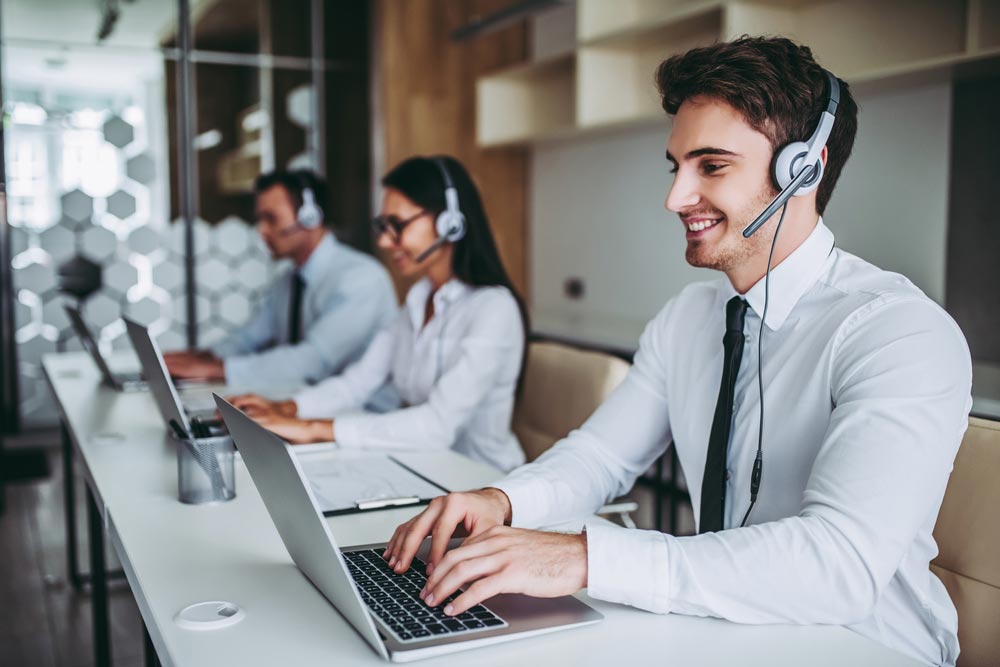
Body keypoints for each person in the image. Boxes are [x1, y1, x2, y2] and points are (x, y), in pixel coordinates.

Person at [382, 37, 971, 667]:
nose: (675, 197)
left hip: (863, 643)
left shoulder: (898, 333)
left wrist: (583, 556)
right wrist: (501, 502)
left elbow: (839, 565)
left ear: (805, 169)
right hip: (721, 625)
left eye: (711, 166)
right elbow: (600, 456)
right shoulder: (688, 319)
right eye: (676, 167)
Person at [228, 156, 530, 473]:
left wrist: (314, 428)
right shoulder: (415, 303)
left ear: (449, 222)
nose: (385, 241)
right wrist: (287, 408)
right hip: (424, 467)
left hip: (482, 479)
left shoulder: (494, 309)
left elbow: (437, 426)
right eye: (383, 227)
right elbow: (357, 383)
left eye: (397, 225)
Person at [163, 170, 397, 388]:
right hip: (304, 405)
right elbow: (247, 338)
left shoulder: (361, 278)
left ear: (310, 217)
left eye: (271, 218)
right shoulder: (287, 281)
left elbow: (313, 360)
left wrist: (219, 369)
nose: (262, 230)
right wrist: (201, 358)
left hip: (363, 415)